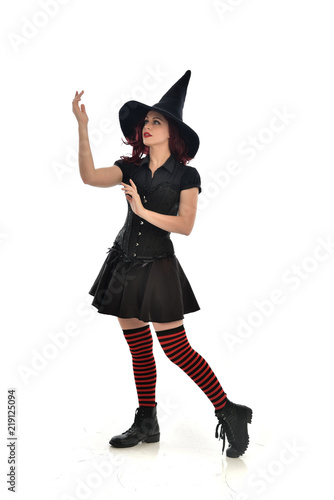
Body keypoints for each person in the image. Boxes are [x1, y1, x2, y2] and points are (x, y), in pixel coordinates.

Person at [72, 70, 252, 458]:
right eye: (146, 121)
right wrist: (82, 127)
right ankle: (147, 420)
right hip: (123, 266)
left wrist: (140, 208)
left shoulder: (187, 175)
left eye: (157, 121)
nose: (148, 126)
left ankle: (229, 411)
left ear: (174, 133)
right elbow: (88, 177)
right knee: (139, 349)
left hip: (159, 267)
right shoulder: (130, 167)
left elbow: (185, 225)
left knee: (176, 348)